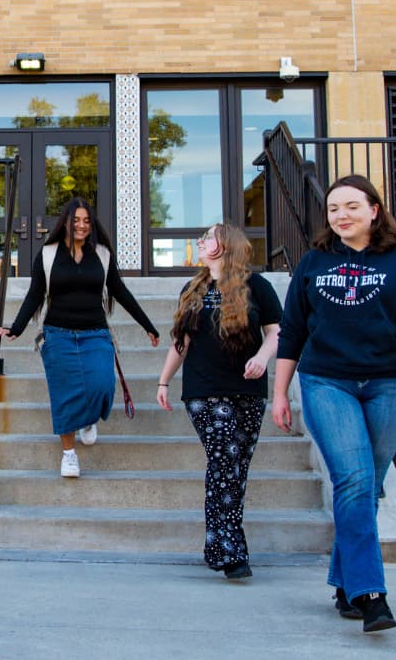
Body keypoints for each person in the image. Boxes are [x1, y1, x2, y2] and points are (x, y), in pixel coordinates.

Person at [270, 175, 396, 633]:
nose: (341, 215)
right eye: (333, 209)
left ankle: (345, 583)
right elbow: (292, 332)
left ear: (374, 210)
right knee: (354, 480)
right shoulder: (314, 262)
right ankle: (371, 595)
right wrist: (280, 393)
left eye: (351, 206)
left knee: (366, 487)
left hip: (390, 386)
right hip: (327, 382)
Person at [0, 198, 160, 478]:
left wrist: (148, 325)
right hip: (57, 334)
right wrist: (16, 328)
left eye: (86, 221)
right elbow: (35, 294)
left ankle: (88, 419)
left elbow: (120, 291)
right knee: (64, 395)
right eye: (76, 220)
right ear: (66, 223)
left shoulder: (102, 254)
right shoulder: (48, 254)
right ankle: (69, 454)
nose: (81, 225)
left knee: (103, 385)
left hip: (95, 333)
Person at [156, 222, 282, 581]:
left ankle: (222, 546)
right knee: (225, 459)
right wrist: (164, 380)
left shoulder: (257, 286)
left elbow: (276, 332)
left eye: (208, 237)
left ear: (227, 245)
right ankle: (229, 550)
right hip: (204, 389)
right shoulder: (193, 289)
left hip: (248, 390)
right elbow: (181, 341)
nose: (200, 242)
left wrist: (262, 358)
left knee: (236, 466)